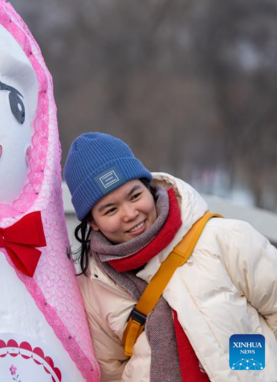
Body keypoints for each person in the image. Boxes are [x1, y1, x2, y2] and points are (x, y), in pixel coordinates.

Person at [63, 132, 277, 382]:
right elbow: (111, 372)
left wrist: (248, 367)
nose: (130, 213)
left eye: (135, 196)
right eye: (111, 209)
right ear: (93, 222)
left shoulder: (224, 239)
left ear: (149, 186)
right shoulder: (94, 288)